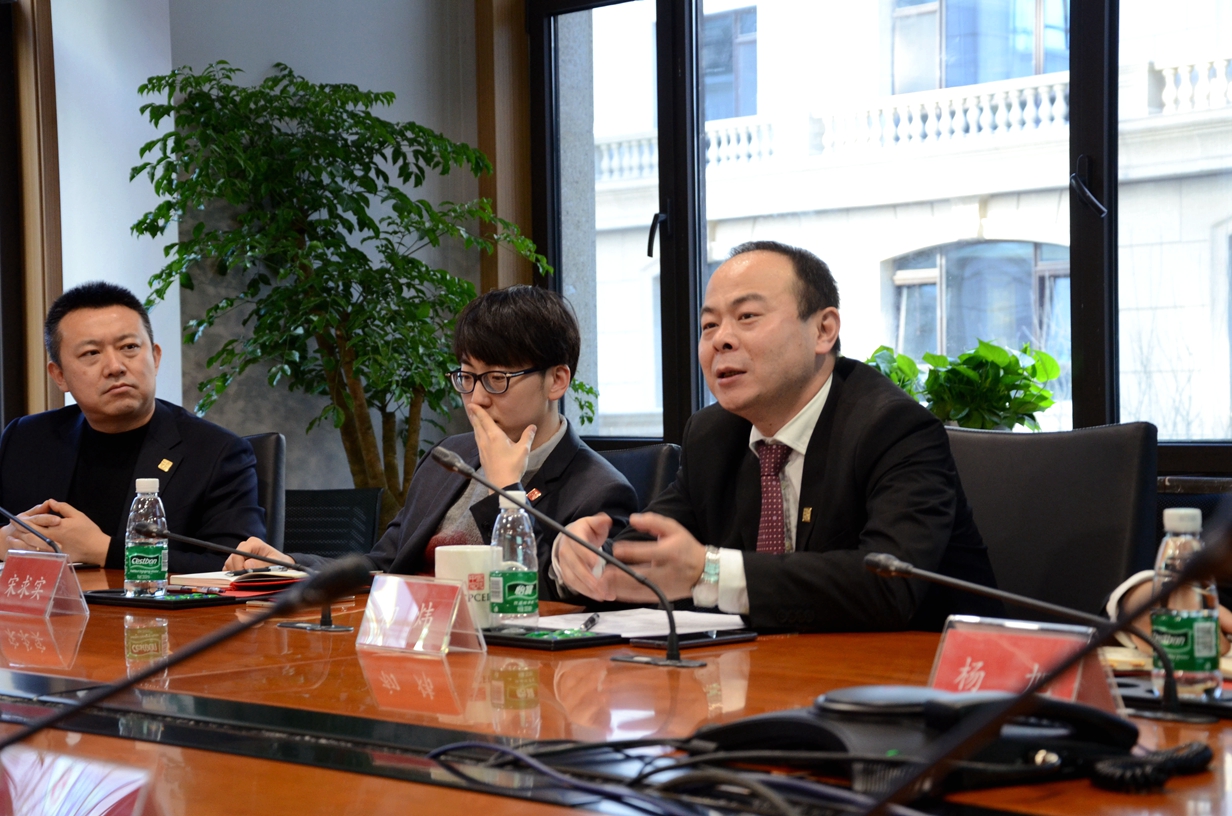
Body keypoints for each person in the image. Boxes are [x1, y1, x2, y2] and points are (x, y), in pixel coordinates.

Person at [553, 241, 1001, 631]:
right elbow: (658, 557)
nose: (721, 340)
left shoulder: (891, 428)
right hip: (772, 674)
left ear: (823, 330)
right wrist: (583, 561)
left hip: (932, 680)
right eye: (709, 325)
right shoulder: (713, 436)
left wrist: (710, 573)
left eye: (747, 316)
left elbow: (890, 586)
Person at [226, 286, 638, 596]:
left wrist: (507, 491)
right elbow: (382, 565)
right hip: (412, 644)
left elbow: (543, 599)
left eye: (497, 379)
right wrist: (290, 565)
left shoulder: (599, 492)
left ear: (557, 380)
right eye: (467, 377)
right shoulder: (451, 457)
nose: (477, 398)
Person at [0, 282, 265, 572]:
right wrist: (4, 541)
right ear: (59, 375)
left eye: (129, 347)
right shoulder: (26, 439)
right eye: (91, 353)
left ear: (155, 357)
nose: (115, 366)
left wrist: (104, 550)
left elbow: (235, 569)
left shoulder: (217, 453)